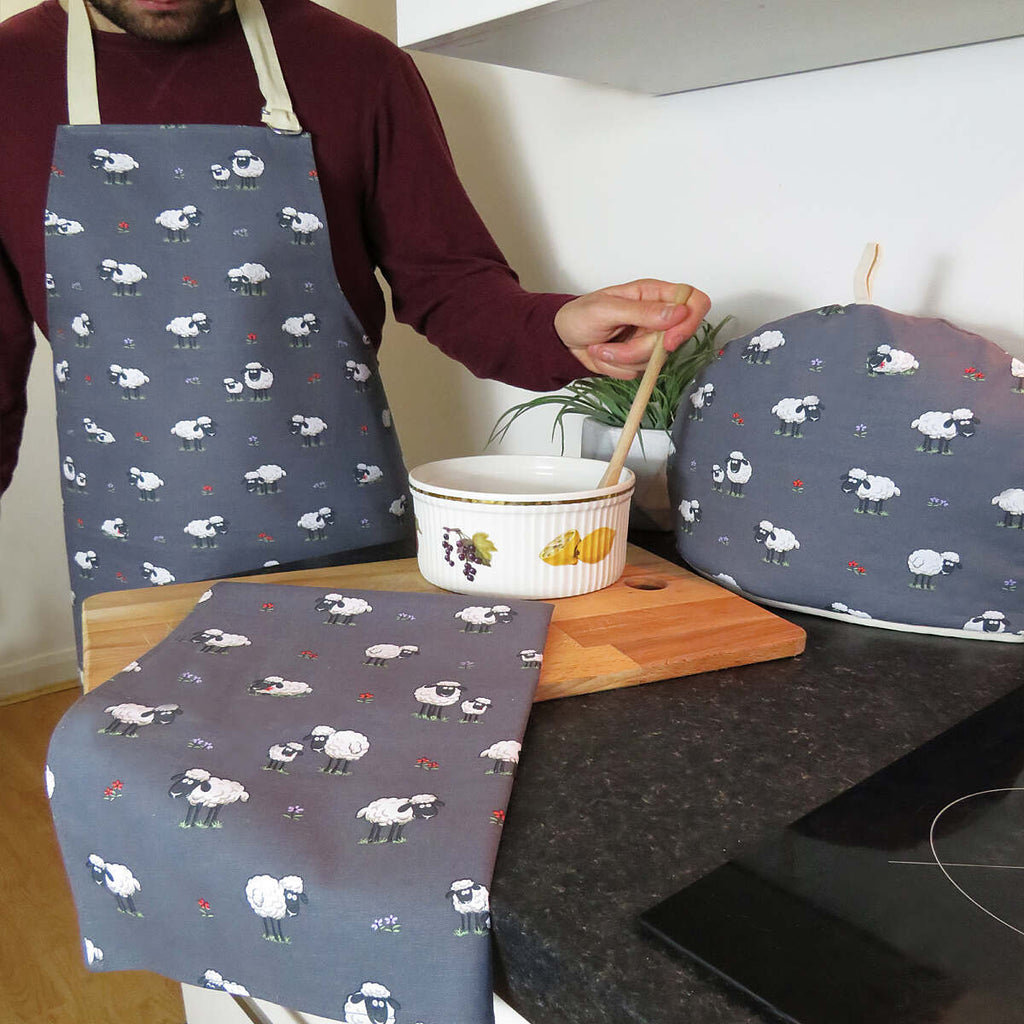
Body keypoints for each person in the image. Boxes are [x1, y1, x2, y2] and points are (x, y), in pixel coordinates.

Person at [0, 0, 711, 651]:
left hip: (343, 534)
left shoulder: (356, 66)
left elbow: (449, 280)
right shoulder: (9, 75)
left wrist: (555, 327)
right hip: (135, 548)